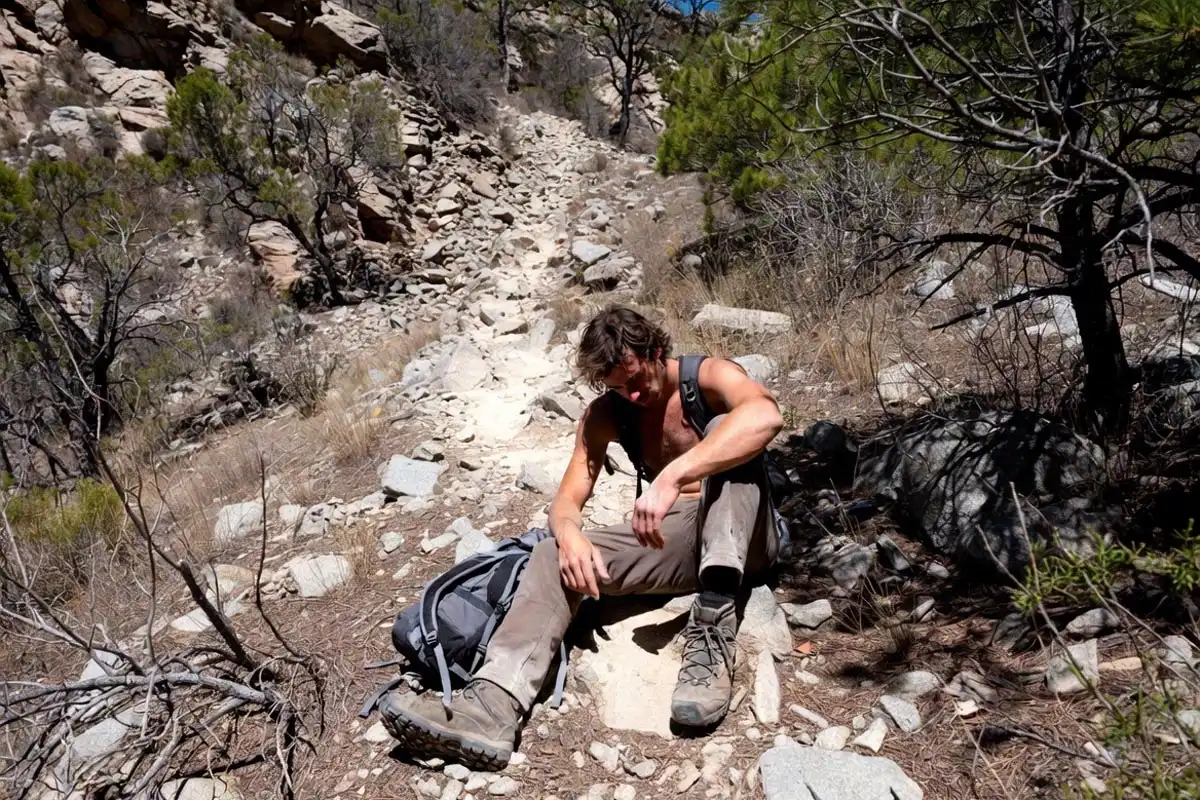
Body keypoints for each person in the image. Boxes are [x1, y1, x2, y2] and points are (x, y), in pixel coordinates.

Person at [379, 306, 785, 770]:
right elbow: (566, 500)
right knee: (551, 553)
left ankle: (712, 636)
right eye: (616, 387)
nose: (631, 394)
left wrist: (673, 476)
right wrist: (569, 534)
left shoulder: (708, 376)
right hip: (678, 539)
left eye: (634, 378)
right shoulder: (611, 413)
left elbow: (766, 416)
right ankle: (491, 705)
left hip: (746, 536)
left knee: (729, 434)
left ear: (655, 351)